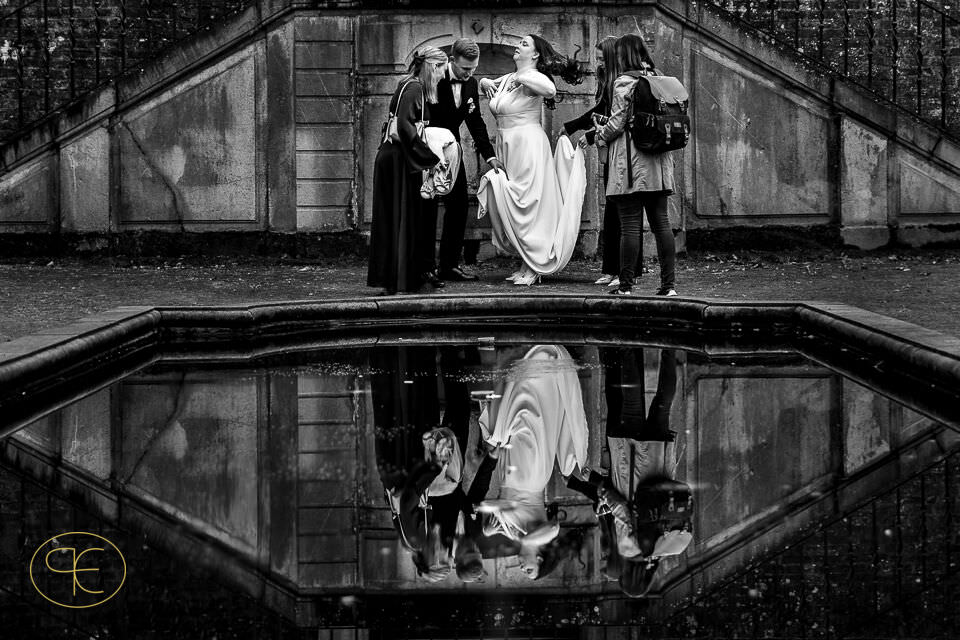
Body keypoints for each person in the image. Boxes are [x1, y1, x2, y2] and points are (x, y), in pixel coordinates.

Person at [476, 35, 587, 286]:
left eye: (524, 44)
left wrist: (522, 76)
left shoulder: (533, 78)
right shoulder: (508, 78)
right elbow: (490, 88)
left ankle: (535, 264)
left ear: (535, 55)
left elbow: (550, 90)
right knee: (515, 201)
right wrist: (484, 81)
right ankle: (525, 261)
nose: (518, 46)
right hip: (507, 146)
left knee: (529, 203)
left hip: (528, 146)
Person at [475, 344, 589, 578]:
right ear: (539, 559)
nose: (521, 568)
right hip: (529, 477)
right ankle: (535, 364)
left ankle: (521, 366)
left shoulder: (515, 536)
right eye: (529, 570)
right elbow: (553, 527)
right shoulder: (544, 536)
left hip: (509, 478)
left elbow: (491, 513)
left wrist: (488, 530)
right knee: (527, 418)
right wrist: (512, 533)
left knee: (513, 423)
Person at [595, 34, 678, 297]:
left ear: (623, 55)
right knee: (661, 224)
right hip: (660, 164)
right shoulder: (659, 78)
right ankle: (668, 286)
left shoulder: (624, 82)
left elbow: (617, 123)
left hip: (631, 165)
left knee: (630, 226)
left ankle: (626, 286)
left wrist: (600, 135)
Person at [367, 46, 448, 295]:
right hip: (399, 159)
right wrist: (431, 159)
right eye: (442, 70)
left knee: (394, 219)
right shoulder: (415, 88)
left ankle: (396, 279)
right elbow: (404, 126)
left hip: (393, 156)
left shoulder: (407, 84)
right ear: (433, 67)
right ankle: (401, 280)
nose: (443, 77)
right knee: (403, 218)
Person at [563, 35, 640, 290]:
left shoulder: (621, 83)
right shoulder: (607, 80)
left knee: (623, 213)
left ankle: (626, 270)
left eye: (601, 58)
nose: (598, 63)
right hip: (611, 150)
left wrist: (588, 134)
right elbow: (600, 111)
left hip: (623, 153)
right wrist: (574, 127)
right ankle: (611, 268)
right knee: (612, 210)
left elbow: (614, 118)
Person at [424, 38, 504, 283]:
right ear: (452, 61)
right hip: (428, 150)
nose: (469, 73)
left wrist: (490, 156)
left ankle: (449, 266)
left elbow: (475, 122)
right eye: (465, 68)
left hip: (453, 151)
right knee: (427, 207)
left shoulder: (471, 83)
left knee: (458, 205)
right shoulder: (434, 78)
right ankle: (425, 267)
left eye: (473, 68)